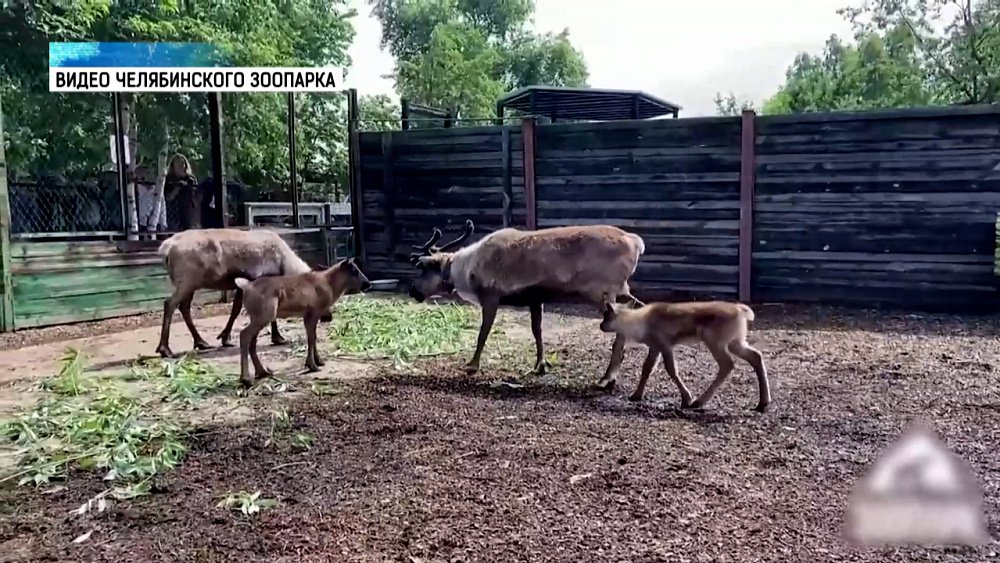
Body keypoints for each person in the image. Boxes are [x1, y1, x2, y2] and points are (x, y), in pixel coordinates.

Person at [164, 154, 199, 231]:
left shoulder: (191, 179)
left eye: (182, 163)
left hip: (189, 211)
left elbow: (196, 196)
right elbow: (168, 198)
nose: (181, 165)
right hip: (174, 213)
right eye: (178, 163)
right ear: (173, 166)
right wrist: (178, 187)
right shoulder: (169, 179)